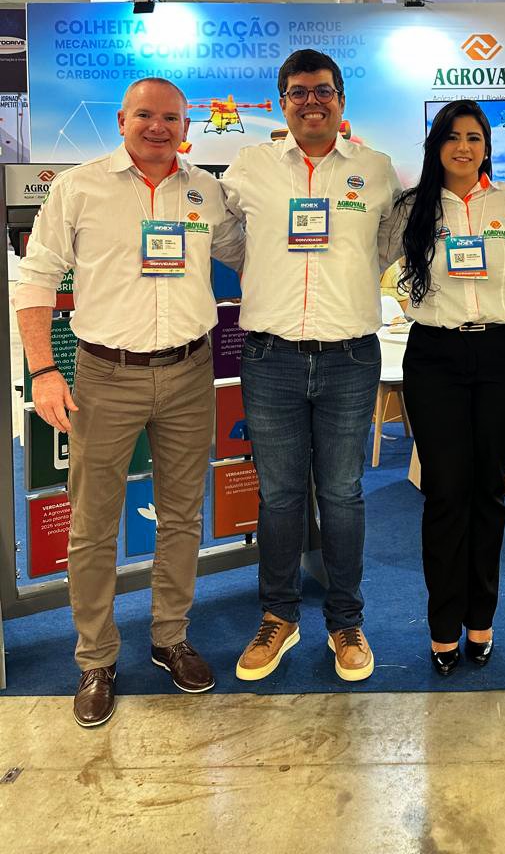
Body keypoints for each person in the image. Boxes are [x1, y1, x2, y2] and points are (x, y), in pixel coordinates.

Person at [14, 77, 245, 727]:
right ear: (122, 120)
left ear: (186, 127)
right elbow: (37, 278)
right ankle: (95, 658)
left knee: (181, 515)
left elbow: (245, 253)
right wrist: (44, 371)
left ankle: (170, 637)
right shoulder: (79, 188)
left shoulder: (203, 191)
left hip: (189, 371)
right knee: (92, 524)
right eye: (145, 115)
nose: (157, 127)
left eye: (170, 117)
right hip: (105, 375)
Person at [222, 50, 400, 683]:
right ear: (283, 102)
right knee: (279, 496)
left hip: (349, 355)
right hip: (270, 356)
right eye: (298, 92)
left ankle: (345, 621)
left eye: (323, 91)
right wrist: (264, 272)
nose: (311, 102)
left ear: (341, 100)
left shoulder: (375, 170)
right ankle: (279, 617)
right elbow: (226, 239)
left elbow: (389, 243)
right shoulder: (249, 167)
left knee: (343, 494)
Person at [390, 99, 505, 674]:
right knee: (446, 492)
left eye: (474, 137)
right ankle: (443, 625)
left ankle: (482, 618)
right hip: (437, 357)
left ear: (486, 147)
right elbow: (376, 259)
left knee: (489, 492)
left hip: (503, 353)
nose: (464, 147)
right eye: (452, 136)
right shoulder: (412, 208)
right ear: (437, 145)